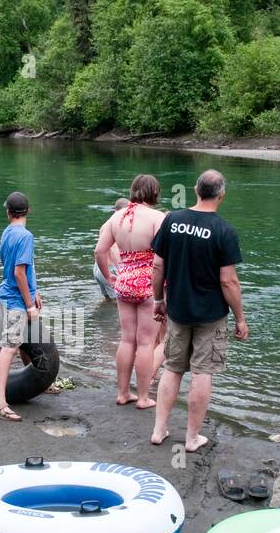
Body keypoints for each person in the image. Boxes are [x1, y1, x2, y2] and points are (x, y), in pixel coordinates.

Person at [150, 169, 248, 452]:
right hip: (210, 314)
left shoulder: (173, 220)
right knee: (203, 372)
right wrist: (240, 318)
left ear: (195, 190)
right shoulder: (224, 230)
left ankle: (159, 430)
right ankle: (192, 438)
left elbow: (158, 266)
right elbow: (228, 280)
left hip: (178, 310)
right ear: (222, 195)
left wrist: (159, 300)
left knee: (172, 368)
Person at [96, 175, 165, 408]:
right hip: (148, 283)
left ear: (134, 191)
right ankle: (143, 397)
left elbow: (99, 251)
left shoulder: (116, 217)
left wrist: (109, 277)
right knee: (146, 342)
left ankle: (123, 393)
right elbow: (164, 258)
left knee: (127, 340)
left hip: (124, 282)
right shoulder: (158, 217)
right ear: (155, 193)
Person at [0, 191, 41, 422]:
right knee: (9, 347)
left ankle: (37, 381)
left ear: (8, 212)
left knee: (21, 342)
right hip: (16, 300)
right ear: (28, 211)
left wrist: (34, 291)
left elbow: (21, 269)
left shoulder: (7, 232)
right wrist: (29, 304)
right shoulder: (26, 236)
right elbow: (18, 272)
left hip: (13, 294)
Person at [92, 199, 125, 300]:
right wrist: (121, 271)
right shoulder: (116, 225)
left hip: (98, 268)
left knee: (108, 301)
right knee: (118, 304)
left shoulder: (106, 224)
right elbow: (113, 250)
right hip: (110, 269)